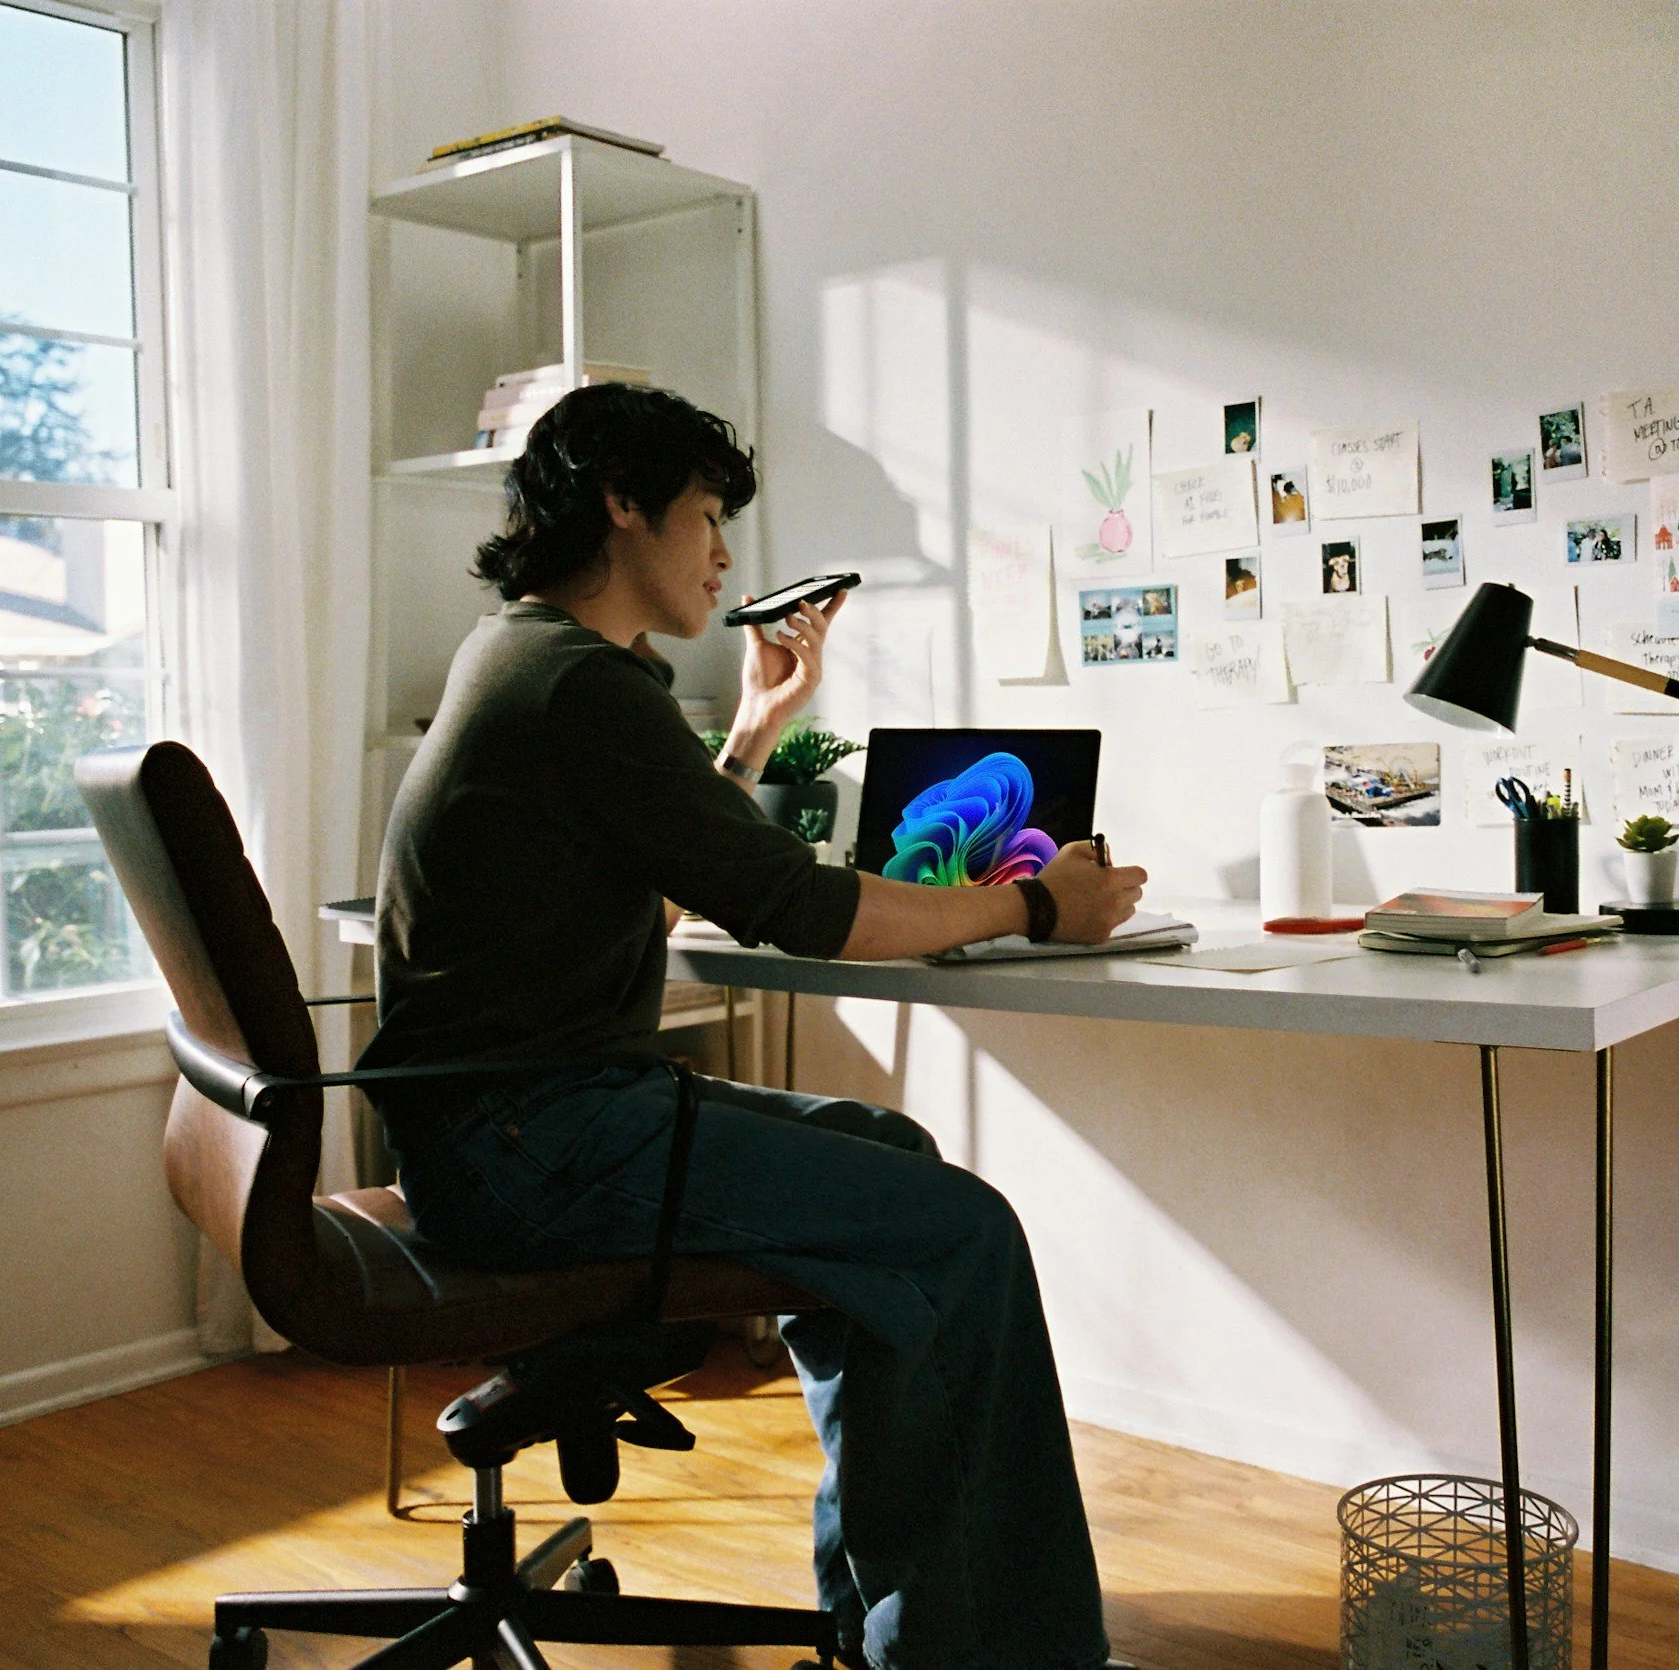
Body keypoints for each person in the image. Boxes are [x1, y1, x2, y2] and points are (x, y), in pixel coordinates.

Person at [360, 383, 1147, 1670]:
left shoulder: (519, 652)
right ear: (624, 503)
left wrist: (751, 730)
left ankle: (886, 1614)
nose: (724, 553)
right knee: (966, 1233)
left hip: (510, 1126)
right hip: (534, 1141)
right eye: (709, 514)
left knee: (889, 1148)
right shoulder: (575, 683)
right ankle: (984, 1652)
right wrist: (1027, 904)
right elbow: (802, 906)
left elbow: (674, 880)